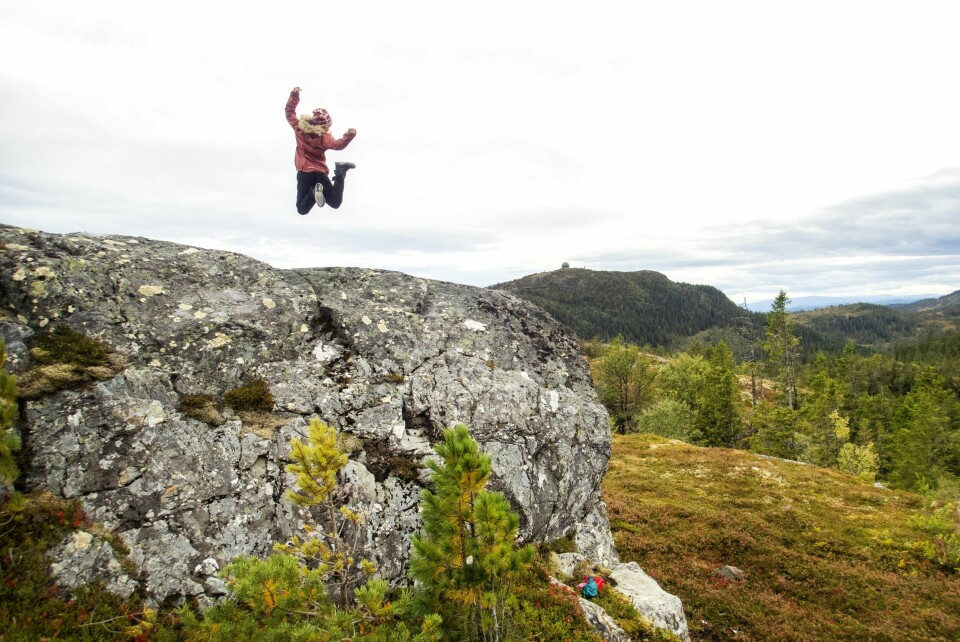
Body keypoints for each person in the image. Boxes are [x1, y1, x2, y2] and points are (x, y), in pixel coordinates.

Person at [285, 86, 357, 215]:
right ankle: (340, 172)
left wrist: (294, 95)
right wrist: (349, 135)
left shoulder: (300, 129)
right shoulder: (325, 138)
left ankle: (314, 193)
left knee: (302, 209)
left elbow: (289, 112)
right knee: (335, 202)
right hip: (320, 173)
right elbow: (339, 145)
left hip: (304, 173)